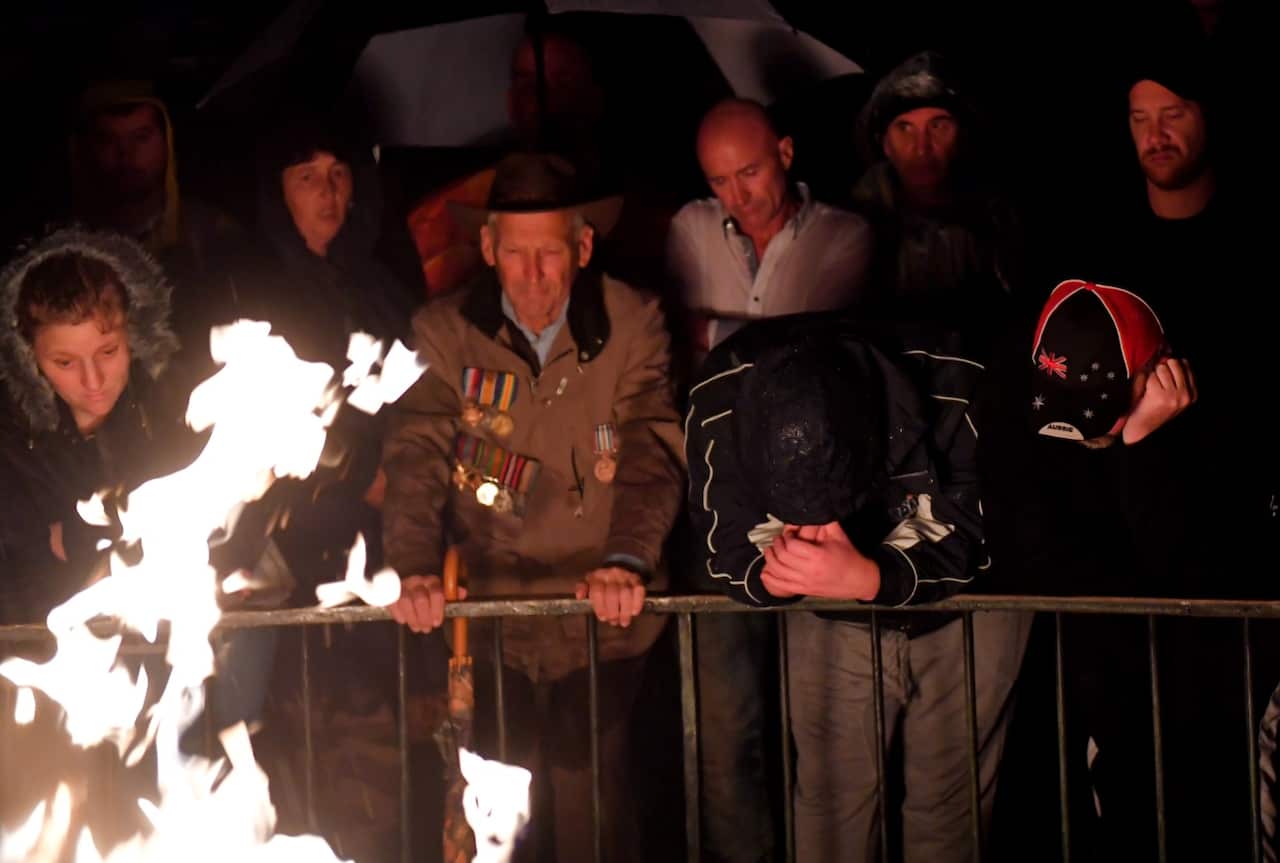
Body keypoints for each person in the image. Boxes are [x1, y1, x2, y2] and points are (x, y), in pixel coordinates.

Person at [383, 152, 685, 863]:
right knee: (497, 803)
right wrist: (414, 566)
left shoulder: (633, 320)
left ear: (582, 246)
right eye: (514, 254)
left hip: (604, 617)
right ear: (487, 249)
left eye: (549, 252)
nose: (532, 275)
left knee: (593, 798)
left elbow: (649, 444)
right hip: (493, 615)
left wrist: (626, 559)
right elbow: (417, 450)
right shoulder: (445, 331)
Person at [686, 314, 1029, 862]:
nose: (820, 528)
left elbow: (997, 530)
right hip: (832, 620)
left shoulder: (962, 383)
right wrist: (770, 574)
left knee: (947, 809)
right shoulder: (720, 394)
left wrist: (871, 576)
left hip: (972, 616)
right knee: (831, 804)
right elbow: (721, 539)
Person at [665, 96, 873, 862]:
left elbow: (821, 344)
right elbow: (670, 346)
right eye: (719, 180)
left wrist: (714, 333)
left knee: (824, 731)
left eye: (748, 171)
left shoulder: (845, 235)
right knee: (725, 730)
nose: (737, 194)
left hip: (822, 513)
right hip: (716, 507)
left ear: (786, 151)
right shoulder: (687, 231)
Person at [851, 51, 1021, 349]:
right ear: (884, 143)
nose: (921, 148)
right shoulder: (852, 226)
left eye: (938, 125)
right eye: (904, 128)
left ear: (962, 136)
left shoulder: (997, 219)